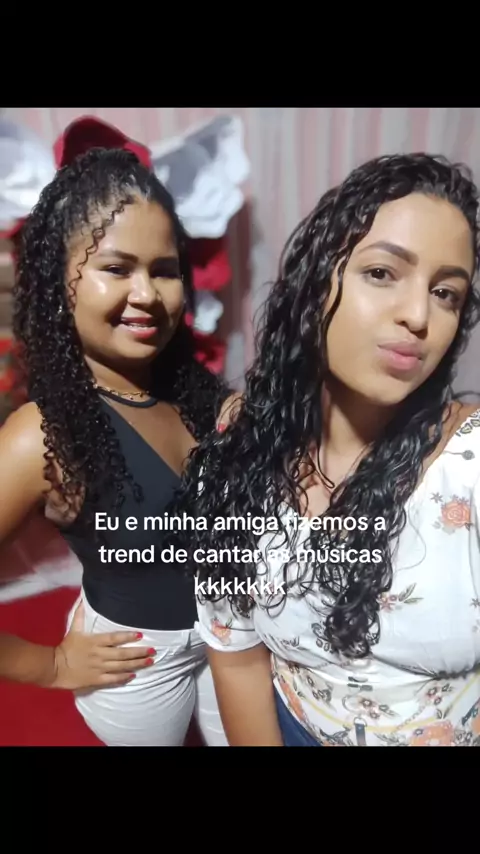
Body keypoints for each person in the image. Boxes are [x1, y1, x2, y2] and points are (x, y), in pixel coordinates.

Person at [169, 153, 480, 746]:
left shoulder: (466, 471)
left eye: (446, 293)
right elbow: (237, 658)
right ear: (315, 284)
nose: (419, 316)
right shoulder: (237, 463)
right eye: (382, 273)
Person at [0, 146, 232, 746]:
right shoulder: (41, 434)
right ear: (60, 284)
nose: (147, 293)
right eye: (116, 268)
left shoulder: (197, 397)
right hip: (138, 663)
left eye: (164, 270)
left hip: (230, 637)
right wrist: (50, 665)